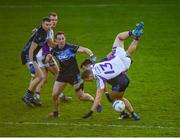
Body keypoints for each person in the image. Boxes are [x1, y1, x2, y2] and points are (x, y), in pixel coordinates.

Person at [81, 22, 144, 120]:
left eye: (87, 80)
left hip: (122, 65)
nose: (89, 81)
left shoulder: (100, 79)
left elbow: (98, 98)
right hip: (117, 57)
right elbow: (104, 58)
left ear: (89, 76)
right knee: (119, 37)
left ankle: (131, 113)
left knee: (117, 98)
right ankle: (134, 33)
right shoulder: (94, 66)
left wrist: (91, 112)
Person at [48, 31, 97, 118]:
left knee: (81, 97)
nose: (61, 40)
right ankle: (56, 113)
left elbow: (84, 49)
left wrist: (92, 55)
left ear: (65, 39)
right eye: (59, 39)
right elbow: (48, 58)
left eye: (63, 38)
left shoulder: (70, 47)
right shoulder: (54, 50)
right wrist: (48, 59)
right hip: (62, 75)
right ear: (56, 40)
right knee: (55, 95)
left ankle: (94, 101)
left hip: (74, 75)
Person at [34, 12, 72, 105]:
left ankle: (36, 97)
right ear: (48, 20)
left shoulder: (47, 29)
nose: (54, 22)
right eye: (52, 20)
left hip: (40, 56)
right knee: (58, 73)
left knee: (44, 78)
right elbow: (50, 44)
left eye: (56, 20)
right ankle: (59, 94)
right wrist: (62, 45)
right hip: (44, 55)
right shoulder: (48, 30)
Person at [21, 17, 52, 107]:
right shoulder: (40, 34)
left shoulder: (43, 30)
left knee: (37, 76)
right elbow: (31, 50)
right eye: (47, 25)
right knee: (40, 76)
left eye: (50, 25)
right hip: (27, 55)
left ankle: (29, 96)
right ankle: (27, 96)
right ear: (42, 24)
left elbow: (37, 29)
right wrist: (31, 63)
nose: (49, 26)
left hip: (32, 55)